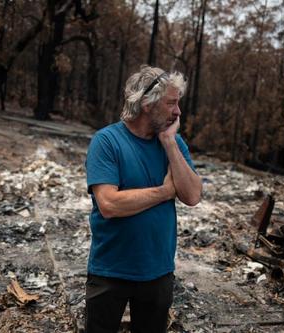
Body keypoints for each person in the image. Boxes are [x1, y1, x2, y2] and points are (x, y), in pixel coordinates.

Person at [85, 65, 202, 333]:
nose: (178, 112)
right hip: (109, 270)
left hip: (158, 271)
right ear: (148, 104)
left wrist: (170, 144)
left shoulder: (173, 143)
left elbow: (192, 195)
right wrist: (163, 192)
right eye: (171, 103)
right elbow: (109, 204)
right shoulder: (107, 141)